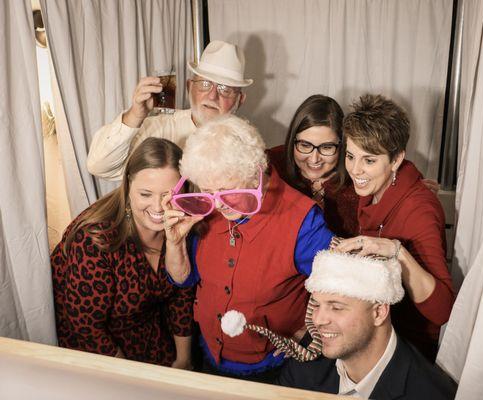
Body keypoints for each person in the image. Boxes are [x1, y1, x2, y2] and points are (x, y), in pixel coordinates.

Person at [161, 115, 333, 382]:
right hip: (208, 353)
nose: (218, 206)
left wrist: (311, 328)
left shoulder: (303, 221)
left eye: (228, 191)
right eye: (208, 192)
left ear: (255, 175)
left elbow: (340, 288)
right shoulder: (205, 206)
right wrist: (175, 244)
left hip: (269, 367)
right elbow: (182, 278)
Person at [51, 138, 195, 368]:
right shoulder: (94, 240)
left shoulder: (183, 223)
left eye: (169, 196)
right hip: (99, 346)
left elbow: (182, 298)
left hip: (149, 328)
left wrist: (184, 361)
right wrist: (129, 379)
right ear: (128, 186)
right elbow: (86, 328)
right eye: (146, 194)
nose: (158, 208)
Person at [333, 94, 454, 361]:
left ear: (396, 160)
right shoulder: (371, 188)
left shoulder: (419, 211)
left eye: (369, 160)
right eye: (351, 156)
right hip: (379, 331)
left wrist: (397, 252)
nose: (355, 169)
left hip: (410, 348)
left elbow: (443, 310)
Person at [278, 250, 457, 399]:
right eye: (316, 304)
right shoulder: (304, 366)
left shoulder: (428, 393)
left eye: (336, 307)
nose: (318, 320)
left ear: (378, 313)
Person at [87, 40, 252, 180]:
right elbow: (99, 167)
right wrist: (135, 116)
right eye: (204, 84)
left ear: (240, 100)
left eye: (225, 89)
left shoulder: (248, 144)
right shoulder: (159, 129)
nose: (212, 96)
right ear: (189, 88)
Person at [268, 94, 359, 237]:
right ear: (293, 140)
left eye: (327, 147)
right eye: (305, 145)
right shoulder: (271, 166)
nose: (314, 159)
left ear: (342, 145)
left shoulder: (358, 182)